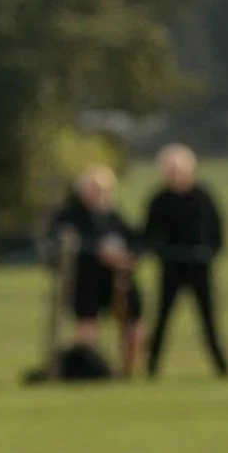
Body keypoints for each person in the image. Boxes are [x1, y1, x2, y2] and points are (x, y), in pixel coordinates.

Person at [141, 143, 227, 378]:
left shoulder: (202, 197)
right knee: (162, 318)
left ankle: (222, 368)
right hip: (171, 268)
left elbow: (217, 231)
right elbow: (149, 235)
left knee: (208, 320)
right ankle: (151, 369)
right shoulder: (160, 200)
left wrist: (209, 252)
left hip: (200, 268)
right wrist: (163, 251)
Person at [54, 162, 145, 378]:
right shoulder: (70, 216)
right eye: (95, 189)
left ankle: (127, 374)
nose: (101, 194)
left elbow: (135, 242)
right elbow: (63, 246)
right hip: (87, 281)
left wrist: (127, 257)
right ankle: (86, 370)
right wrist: (98, 253)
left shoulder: (114, 217)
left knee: (134, 326)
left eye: (105, 190)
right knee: (86, 328)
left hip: (118, 281)